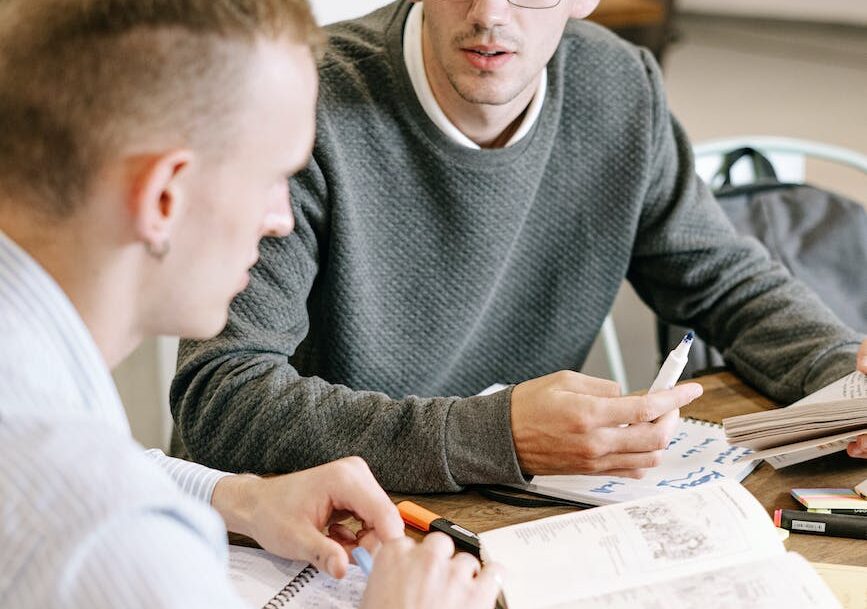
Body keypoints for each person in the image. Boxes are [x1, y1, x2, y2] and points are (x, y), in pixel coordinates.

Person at [0, 1, 500, 609]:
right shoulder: (94, 532)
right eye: (274, 177)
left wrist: (234, 496)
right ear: (164, 196)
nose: (282, 218)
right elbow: (74, 497)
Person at [171, 0, 867, 493]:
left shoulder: (619, 87)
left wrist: (845, 378)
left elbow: (723, 281)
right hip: (304, 531)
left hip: (513, 513)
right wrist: (494, 435)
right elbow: (220, 400)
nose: (490, 13)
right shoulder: (306, 100)